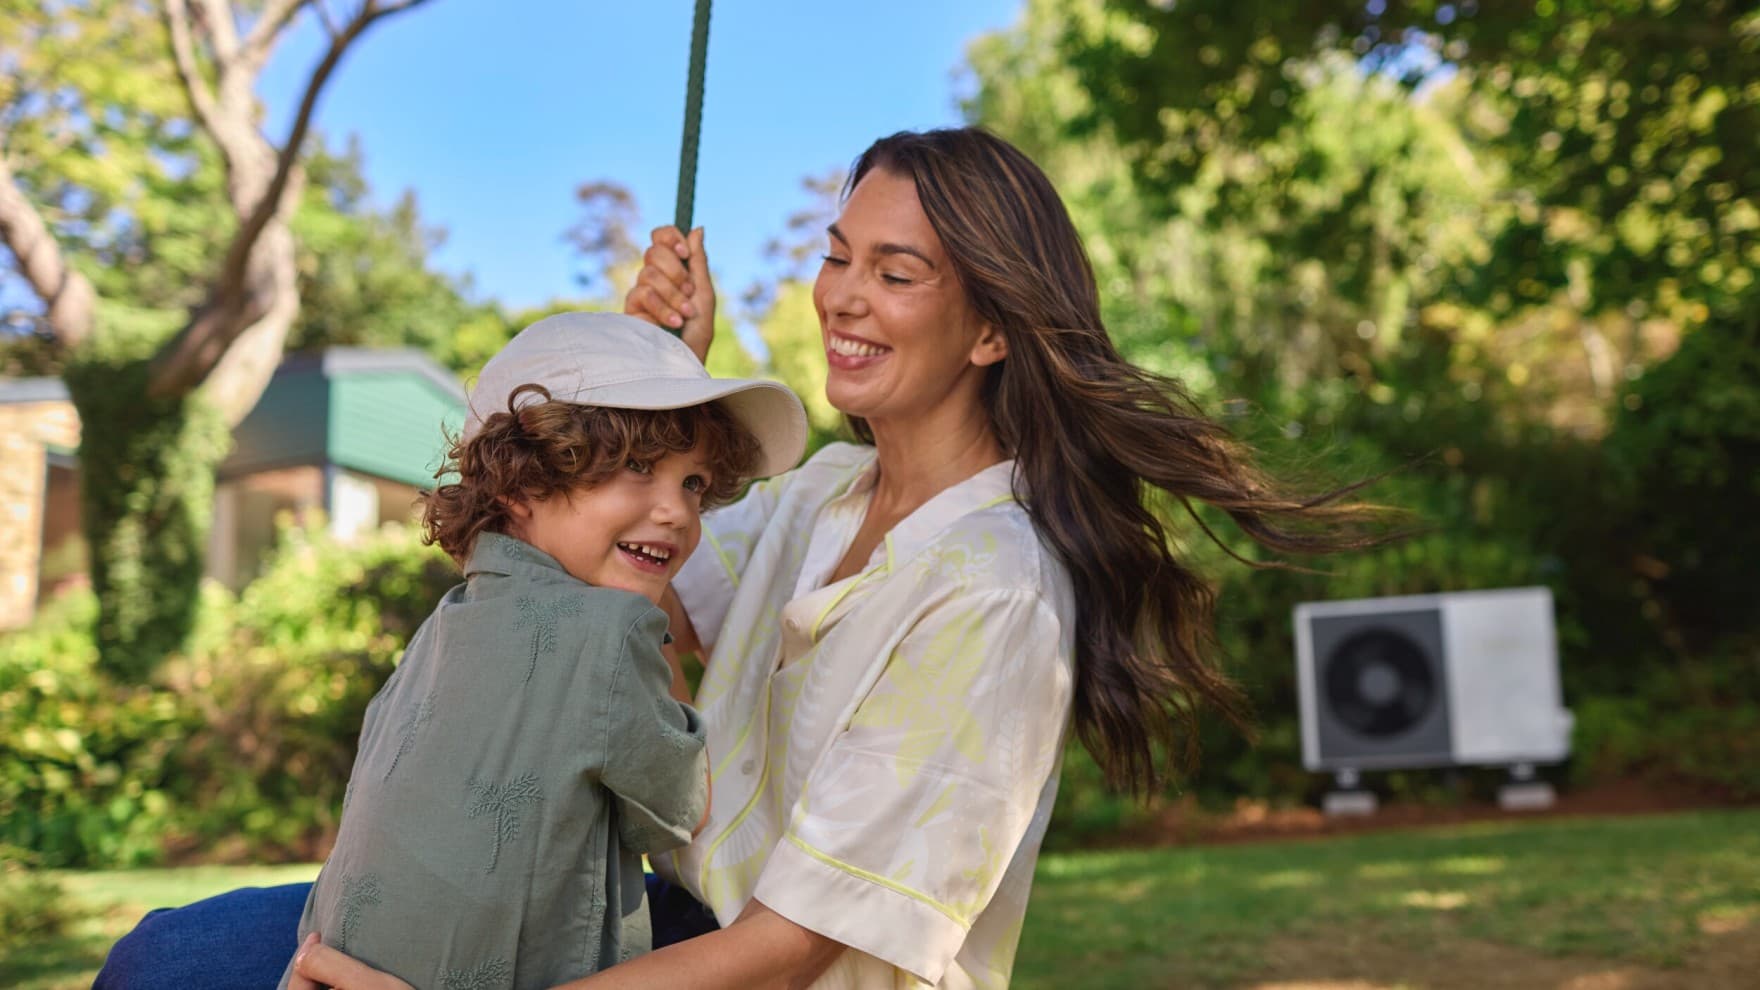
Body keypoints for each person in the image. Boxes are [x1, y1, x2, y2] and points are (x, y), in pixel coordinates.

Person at [103, 128, 1381, 990]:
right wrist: (672, 391)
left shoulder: (991, 590)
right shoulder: (829, 491)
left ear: (990, 329)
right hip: (648, 918)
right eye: (837, 256)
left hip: (755, 972)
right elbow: (667, 575)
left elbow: (793, 947)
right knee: (175, 956)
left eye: (896, 273)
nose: (841, 296)